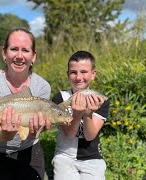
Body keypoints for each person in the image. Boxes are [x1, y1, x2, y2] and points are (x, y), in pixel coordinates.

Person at [0, 27, 52, 180]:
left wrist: (35, 132)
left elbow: (32, 135)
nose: (19, 56)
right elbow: (0, 135)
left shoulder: (42, 87)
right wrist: (8, 133)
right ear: (4, 53)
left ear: (33, 56)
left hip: (28, 147)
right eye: (14, 49)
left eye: (25, 50)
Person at [51, 50, 110, 180]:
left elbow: (90, 136)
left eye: (83, 72)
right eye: (73, 72)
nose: (78, 77)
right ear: (68, 75)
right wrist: (77, 115)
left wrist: (88, 114)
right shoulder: (60, 98)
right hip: (64, 156)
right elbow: (70, 134)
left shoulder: (101, 100)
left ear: (93, 74)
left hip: (92, 157)